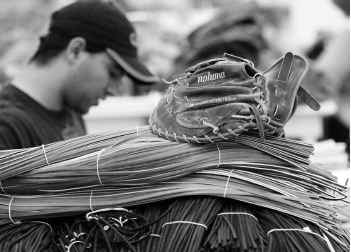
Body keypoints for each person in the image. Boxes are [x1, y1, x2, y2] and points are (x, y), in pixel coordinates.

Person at [0, 0, 159, 149]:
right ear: (75, 50)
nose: (115, 90)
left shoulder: (72, 111)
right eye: (112, 73)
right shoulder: (8, 128)